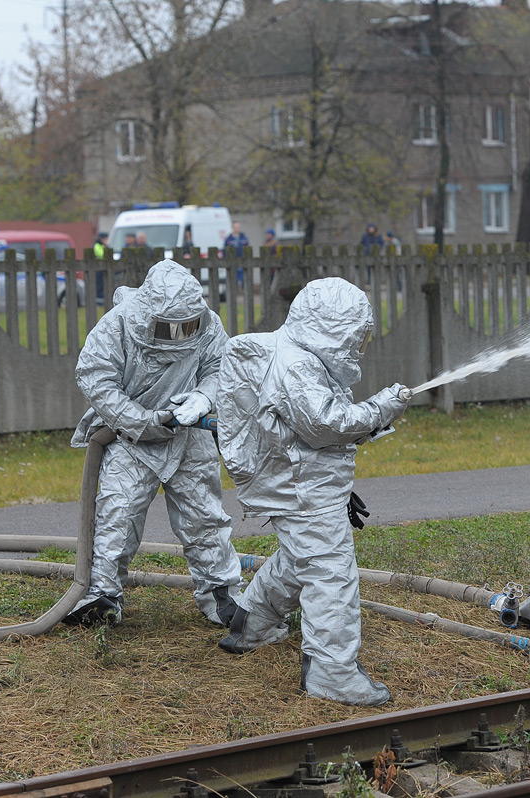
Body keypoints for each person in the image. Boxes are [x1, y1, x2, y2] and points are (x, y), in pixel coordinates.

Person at [214, 277, 411, 706]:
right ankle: (331, 672)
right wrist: (382, 407)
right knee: (330, 573)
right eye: (356, 336)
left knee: (300, 558)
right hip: (302, 487)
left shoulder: (296, 354)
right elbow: (327, 426)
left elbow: (315, 428)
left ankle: (253, 621)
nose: (359, 346)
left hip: (303, 482)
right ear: (333, 327)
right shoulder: (296, 365)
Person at [64, 259, 243, 628]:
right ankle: (103, 595)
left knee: (204, 517)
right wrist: (140, 420)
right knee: (119, 512)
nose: (179, 335)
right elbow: (96, 377)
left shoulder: (208, 324)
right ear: (149, 315)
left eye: (186, 327)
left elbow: (220, 369)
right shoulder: (119, 324)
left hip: (189, 435)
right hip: (131, 438)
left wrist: (204, 398)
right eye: (170, 327)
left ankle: (222, 594)